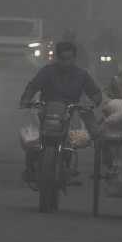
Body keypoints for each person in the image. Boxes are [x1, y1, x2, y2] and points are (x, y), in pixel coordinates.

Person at [18, 41, 103, 182]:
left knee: (83, 135)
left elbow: (95, 93)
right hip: (47, 111)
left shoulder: (82, 75)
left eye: (69, 59)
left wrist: (91, 103)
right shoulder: (47, 71)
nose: (66, 63)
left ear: (74, 58)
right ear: (57, 58)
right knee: (31, 136)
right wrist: (26, 100)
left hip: (71, 113)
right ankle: (30, 166)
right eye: (63, 59)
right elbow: (33, 87)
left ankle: (68, 161)